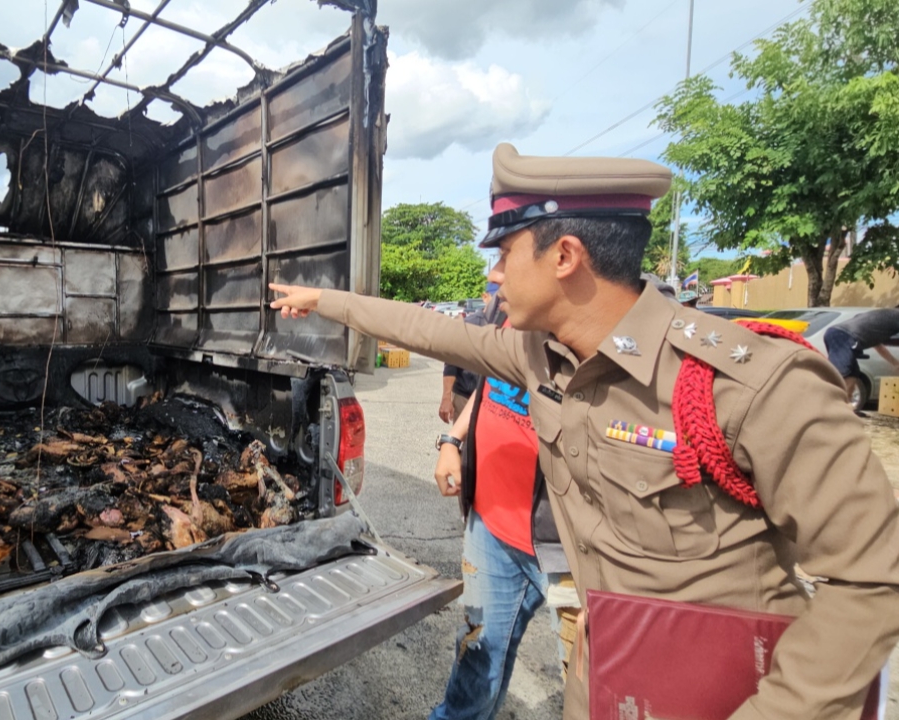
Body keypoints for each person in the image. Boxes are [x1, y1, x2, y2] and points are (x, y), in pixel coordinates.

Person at [271, 143, 899, 719]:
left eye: (505, 254)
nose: (492, 275)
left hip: (719, 691)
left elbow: (872, 579)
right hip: (605, 678)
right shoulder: (541, 353)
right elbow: (427, 330)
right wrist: (322, 301)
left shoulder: (754, 384)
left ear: (565, 255)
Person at [430, 288, 576, 720]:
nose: (494, 274)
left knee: (597, 688)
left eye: (509, 252)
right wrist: (452, 437)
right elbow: (495, 379)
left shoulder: (607, 332)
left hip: (569, 553)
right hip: (490, 529)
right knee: (476, 654)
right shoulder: (513, 310)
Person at [439, 285, 495, 423]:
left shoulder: (510, 327)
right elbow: (451, 362)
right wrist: (446, 398)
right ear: (485, 297)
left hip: (495, 401)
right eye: (498, 298)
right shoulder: (468, 326)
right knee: (463, 441)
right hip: (465, 396)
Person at [824, 307, 899, 407]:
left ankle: (846, 406)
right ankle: (835, 409)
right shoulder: (895, 317)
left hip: (838, 334)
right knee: (843, 375)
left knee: (853, 373)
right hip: (843, 336)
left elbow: (879, 347)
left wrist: (895, 363)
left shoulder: (879, 320)